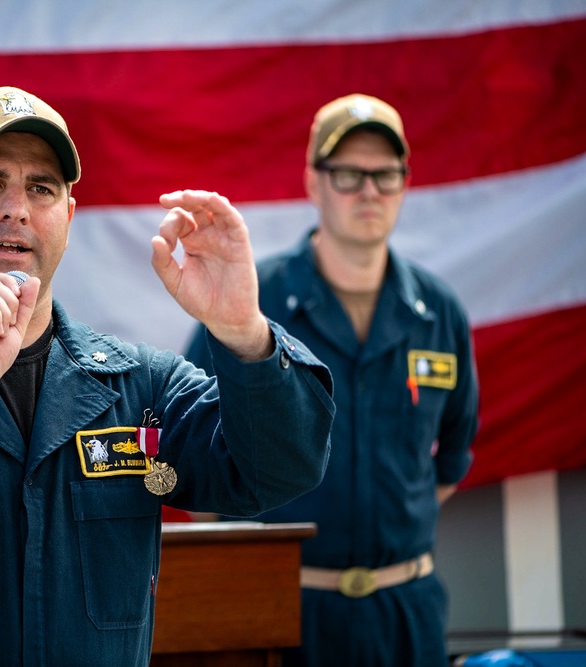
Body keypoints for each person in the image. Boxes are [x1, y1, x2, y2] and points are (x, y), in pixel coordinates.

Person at [0, 86, 335, 666]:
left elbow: (277, 474)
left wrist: (245, 332)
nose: (16, 209)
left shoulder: (141, 387)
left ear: (67, 218)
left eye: (41, 188)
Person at [185, 93, 479, 666]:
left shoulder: (439, 312)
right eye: (347, 174)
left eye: (384, 174)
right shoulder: (250, 303)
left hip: (407, 618)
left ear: (404, 184)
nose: (368, 191)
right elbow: (197, 451)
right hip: (280, 616)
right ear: (313, 184)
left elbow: (451, 459)